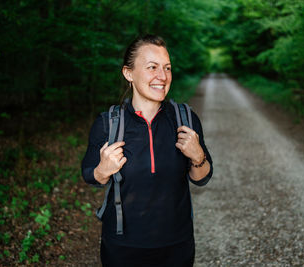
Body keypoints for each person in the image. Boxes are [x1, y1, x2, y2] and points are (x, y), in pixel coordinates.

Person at [81, 34, 213, 267]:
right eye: (152, 67)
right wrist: (103, 170)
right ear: (128, 73)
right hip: (123, 248)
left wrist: (198, 156)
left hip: (177, 245)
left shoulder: (185, 118)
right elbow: (90, 175)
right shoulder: (108, 123)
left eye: (167, 68)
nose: (162, 77)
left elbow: (202, 178)